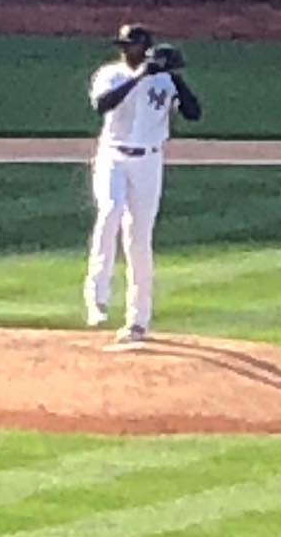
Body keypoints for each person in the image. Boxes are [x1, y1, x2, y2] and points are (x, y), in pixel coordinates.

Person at [83, 24, 202, 345]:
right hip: (113, 156)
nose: (125, 50)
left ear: (145, 47)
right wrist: (140, 76)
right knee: (110, 212)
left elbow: (194, 113)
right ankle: (97, 297)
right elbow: (103, 105)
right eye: (122, 45)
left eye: (131, 45)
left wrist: (174, 75)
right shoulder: (110, 74)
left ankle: (138, 320)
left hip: (149, 162)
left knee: (139, 239)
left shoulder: (164, 81)